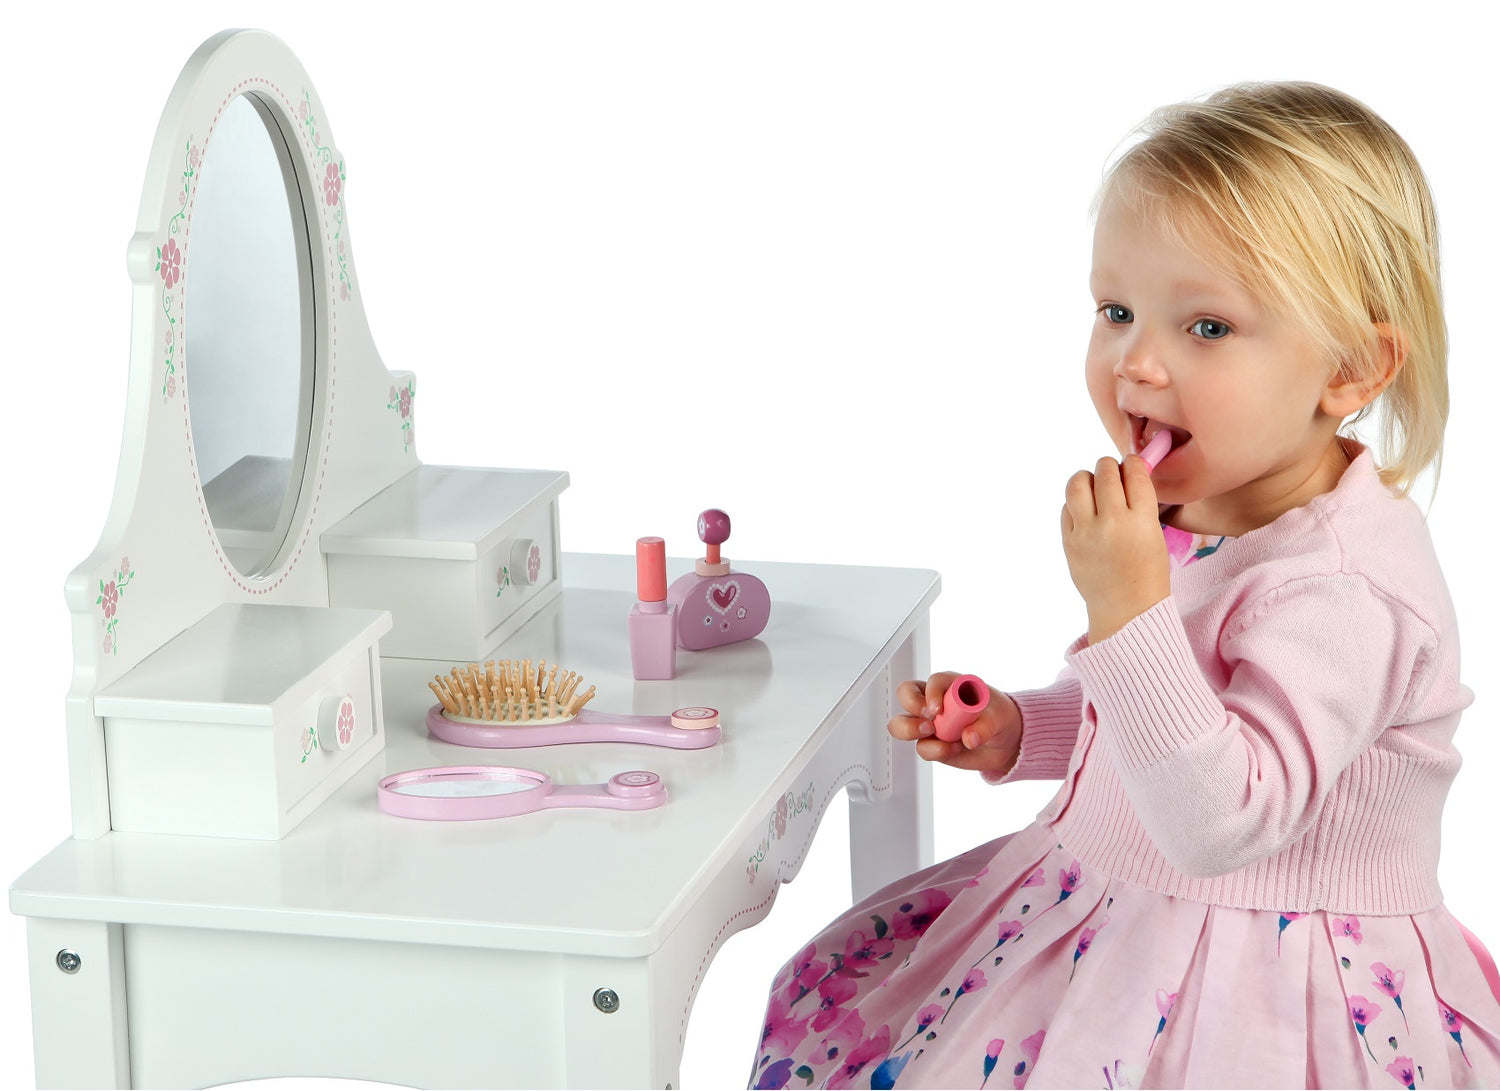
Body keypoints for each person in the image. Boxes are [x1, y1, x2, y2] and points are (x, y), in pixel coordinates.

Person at [748, 81, 1500, 1090]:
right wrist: (1026, 728)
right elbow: (1164, 720)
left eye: (1208, 328)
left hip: (1259, 991)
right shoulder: (1205, 506)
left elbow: (1219, 817)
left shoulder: (1349, 591)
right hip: (1106, 915)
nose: (1136, 362)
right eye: (1117, 311)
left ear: (1351, 369)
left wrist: (1127, 606)